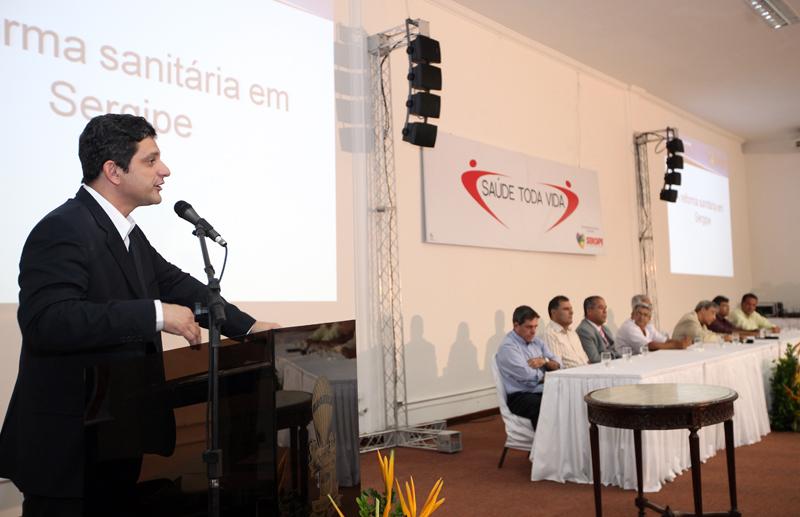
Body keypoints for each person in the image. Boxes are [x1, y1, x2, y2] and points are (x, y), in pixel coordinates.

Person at [0, 114, 279, 517]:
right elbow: (48, 322)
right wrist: (155, 314)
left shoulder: (126, 232)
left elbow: (178, 285)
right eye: (151, 161)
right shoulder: (62, 228)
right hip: (67, 451)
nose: (165, 170)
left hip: (114, 441)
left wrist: (249, 327)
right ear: (113, 171)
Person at [495, 305, 561, 429]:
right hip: (520, 396)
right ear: (516, 325)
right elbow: (527, 375)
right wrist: (549, 375)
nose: (533, 331)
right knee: (546, 405)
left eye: (535, 326)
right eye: (529, 327)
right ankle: (544, 441)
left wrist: (544, 361)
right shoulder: (508, 347)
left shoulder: (537, 342)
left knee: (567, 398)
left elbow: (558, 363)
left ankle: (565, 439)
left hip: (540, 390)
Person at [615, 303, 690, 354]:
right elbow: (650, 346)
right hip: (623, 362)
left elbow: (665, 341)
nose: (641, 317)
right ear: (633, 315)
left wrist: (682, 342)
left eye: (645, 315)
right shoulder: (629, 327)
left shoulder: (648, 326)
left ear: (649, 318)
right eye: (639, 313)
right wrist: (678, 345)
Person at [541, 296, 589, 368]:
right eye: (566, 309)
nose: (571, 312)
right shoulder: (549, 334)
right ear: (553, 312)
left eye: (571, 309)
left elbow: (586, 360)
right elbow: (557, 366)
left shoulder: (572, 332)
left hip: (585, 370)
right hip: (570, 374)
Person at [575, 296, 618, 363]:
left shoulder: (605, 328)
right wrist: (613, 355)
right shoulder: (583, 330)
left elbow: (616, 350)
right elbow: (595, 359)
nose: (605, 311)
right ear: (589, 311)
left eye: (605, 308)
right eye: (601, 308)